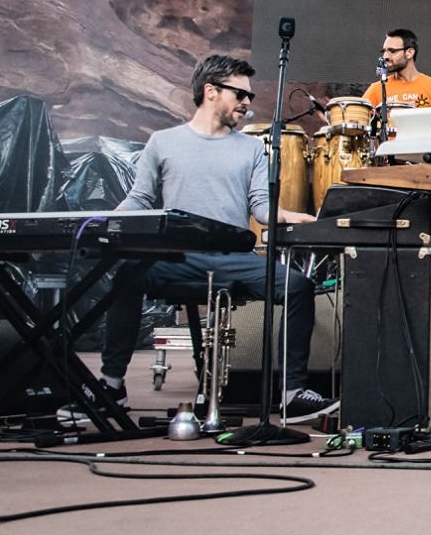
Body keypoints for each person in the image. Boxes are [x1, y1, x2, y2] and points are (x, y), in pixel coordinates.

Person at [100, 55, 335, 423]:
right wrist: (112, 217)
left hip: (231, 258)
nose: (247, 103)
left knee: (298, 287)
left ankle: (291, 392)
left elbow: (260, 207)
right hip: (176, 257)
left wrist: (288, 215)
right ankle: (111, 385)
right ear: (210, 91)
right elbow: (140, 198)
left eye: (249, 96)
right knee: (126, 274)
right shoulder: (163, 143)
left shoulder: (252, 149)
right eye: (240, 94)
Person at [362, 28, 431, 109]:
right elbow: (357, 118)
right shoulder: (377, 89)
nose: (385, 56)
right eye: (384, 51)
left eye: (392, 51)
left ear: (409, 53)